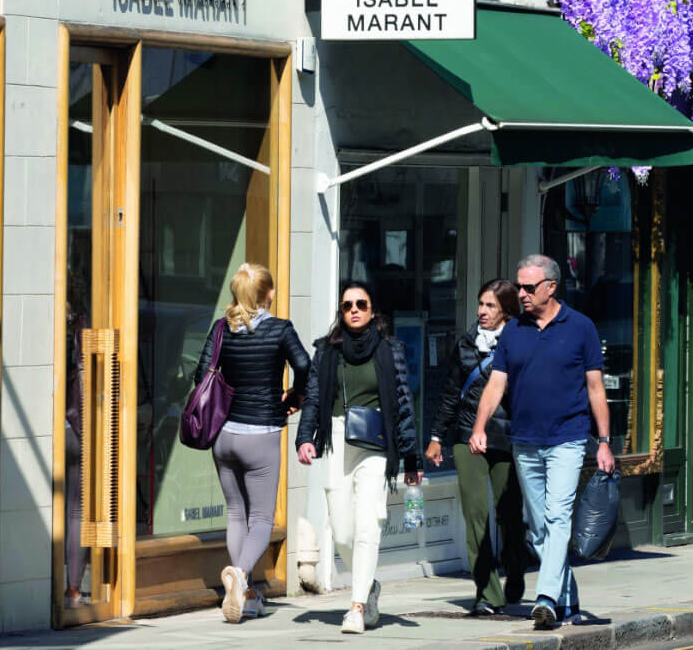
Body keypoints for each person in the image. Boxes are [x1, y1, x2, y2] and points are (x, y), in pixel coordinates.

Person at [470, 254, 615, 632]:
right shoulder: (514, 330)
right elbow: (496, 383)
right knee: (538, 529)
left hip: (567, 438)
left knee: (557, 516)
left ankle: (546, 599)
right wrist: (480, 425)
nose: (521, 294)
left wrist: (603, 441)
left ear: (551, 287)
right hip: (525, 441)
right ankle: (569, 599)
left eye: (528, 287)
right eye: (519, 286)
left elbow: (596, 387)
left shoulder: (580, 327)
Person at [296, 280, 422, 635]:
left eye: (361, 304)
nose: (354, 309)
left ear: (372, 310)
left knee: (368, 525)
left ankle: (356, 606)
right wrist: (305, 438)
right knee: (342, 532)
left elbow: (402, 403)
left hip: (376, 442)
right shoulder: (327, 351)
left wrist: (411, 458)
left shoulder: (389, 349)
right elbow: (314, 399)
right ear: (341, 310)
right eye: (348, 305)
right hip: (336, 438)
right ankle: (370, 586)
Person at [193, 262, 310, 624]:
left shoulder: (220, 330)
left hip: (223, 435)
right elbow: (306, 366)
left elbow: (200, 376)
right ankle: (240, 575)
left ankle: (245, 595)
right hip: (261, 434)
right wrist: (294, 396)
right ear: (268, 293)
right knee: (261, 517)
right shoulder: (279, 330)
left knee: (235, 513)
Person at [425, 279, 526, 615]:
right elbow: (451, 392)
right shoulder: (466, 344)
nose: (482, 312)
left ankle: (514, 565)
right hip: (468, 435)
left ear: (507, 311)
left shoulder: (522, 342)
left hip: (508, 436)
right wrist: (437, 436)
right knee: (475, 514)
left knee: (509, 513)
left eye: (490, 306)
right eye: (480, 304)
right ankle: (487, 593)